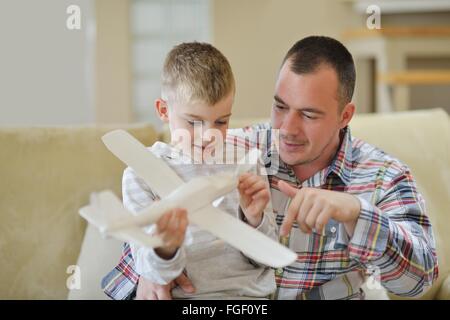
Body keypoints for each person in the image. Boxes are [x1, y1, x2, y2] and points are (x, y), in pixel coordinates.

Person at [103, 36, 438, 300]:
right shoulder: (233, 150)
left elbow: (420, 279)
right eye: (280, 107)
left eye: (308, 114)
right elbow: (155, 217)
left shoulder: (383, 175)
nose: (287, 129)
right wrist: (148, 273)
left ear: (345, 116)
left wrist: (355, 214)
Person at [101, 42, 278, 300]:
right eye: (194, 122)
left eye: (222, 121)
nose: (209, 135)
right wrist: (165, 247)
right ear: (163, 110)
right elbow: (150, 272)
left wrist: (255, 219)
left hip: (249, 298)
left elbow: (268, 259)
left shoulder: (246, 164)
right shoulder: (140, 174)